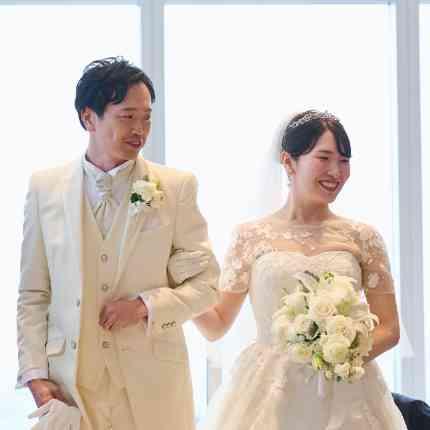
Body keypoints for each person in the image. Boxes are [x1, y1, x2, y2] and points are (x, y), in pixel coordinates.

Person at [16, 56, 219, 430]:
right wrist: (34, 375)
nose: (139, 129)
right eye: (127, 116)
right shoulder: (45, 188)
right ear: (88, 118)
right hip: (70, 387)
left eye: (147, 118)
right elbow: (33, 293)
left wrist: (145, 306)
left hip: (153, 386)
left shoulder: (176, 188)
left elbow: (207, 285)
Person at [189, 110, 407, 429]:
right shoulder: (250, 236)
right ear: (289, 162)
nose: (336, 171)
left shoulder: (363, 237)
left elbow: (389, 328)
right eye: (324, 158)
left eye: (344, 160)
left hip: (345, 390)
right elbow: (216, 325)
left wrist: (340, 353)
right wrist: (179, 285)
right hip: (269, 391)